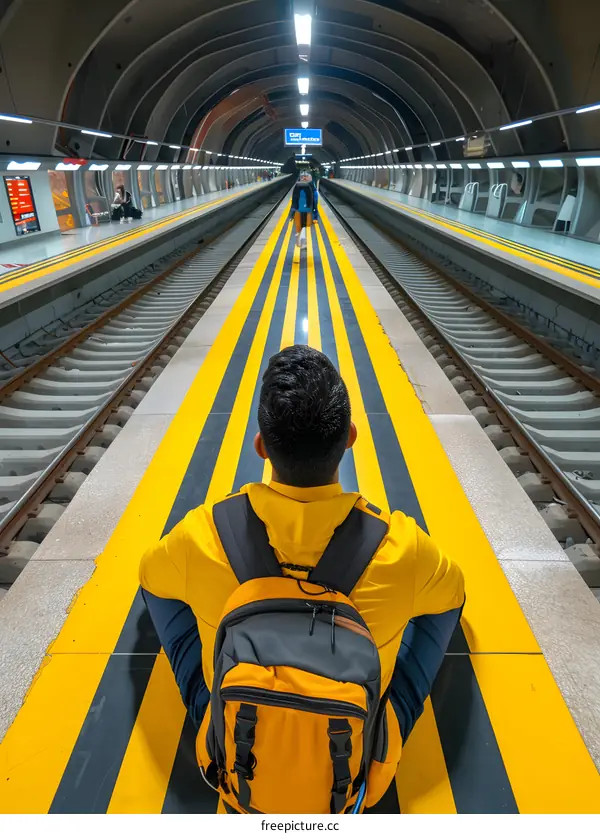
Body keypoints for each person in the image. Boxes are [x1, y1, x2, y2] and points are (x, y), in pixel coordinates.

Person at [139, 345, 465, 813]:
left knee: (157, 595)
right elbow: (453, 592)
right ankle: (385, 725)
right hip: (349, 775)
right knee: (447, 608)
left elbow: (149, 576)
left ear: (261, 448)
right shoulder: (402, 549)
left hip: (240, 763)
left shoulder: (202, 536)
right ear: (350, 437)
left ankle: (211, 713)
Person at [289, 171, 314, 248]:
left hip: (299, 210)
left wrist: (291, 214)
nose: (304, 178)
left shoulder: (297, 186)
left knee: (299, 226)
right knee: (304, 226)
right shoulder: (309, 186)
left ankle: (300, 240)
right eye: (303, 177)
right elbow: (311, 200)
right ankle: (302, 240)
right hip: (306, 210)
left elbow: (294, 200)